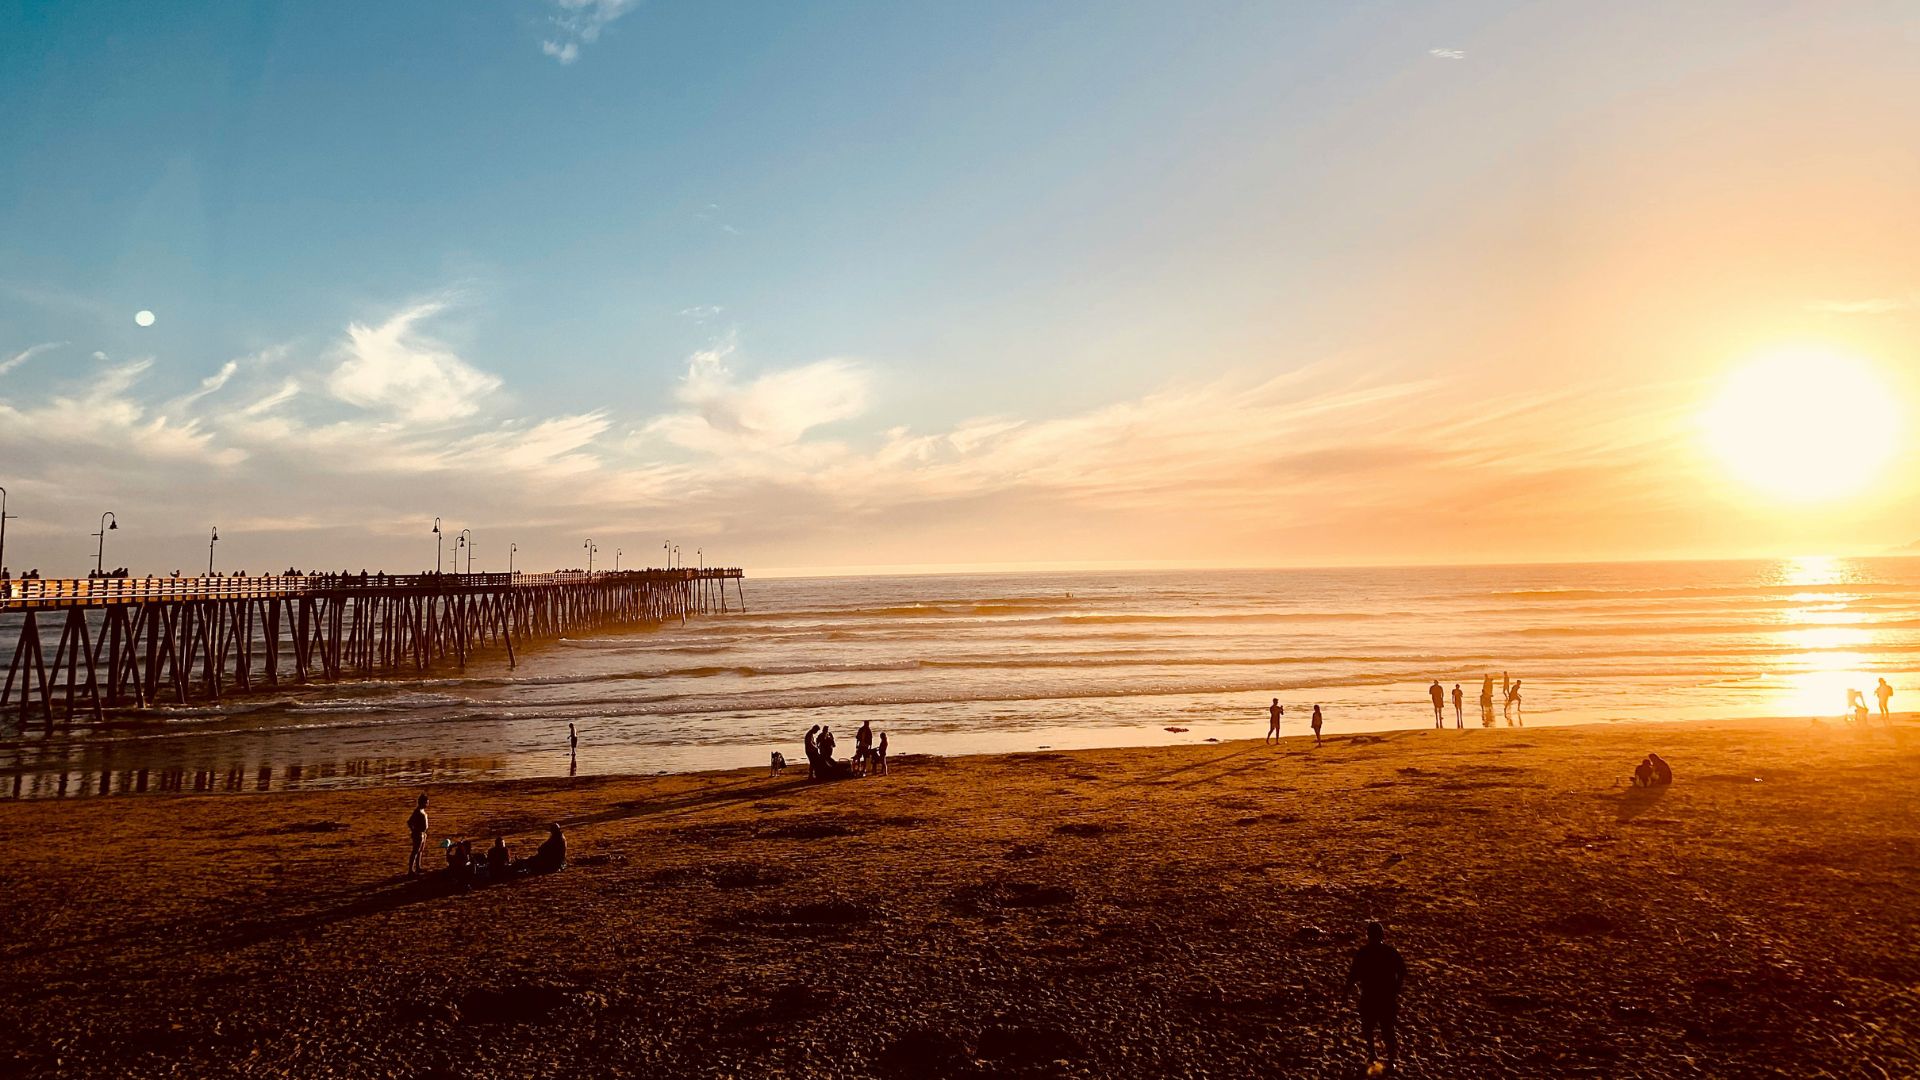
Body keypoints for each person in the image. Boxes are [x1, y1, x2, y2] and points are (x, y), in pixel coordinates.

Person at [1345, 921, 1407, 1073]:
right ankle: (1388, 1059)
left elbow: (1352, 976)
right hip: (1385, 997)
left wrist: (1345, 994)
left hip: (1371, 996)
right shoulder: (1390, 952)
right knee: (1386, 1029)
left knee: (1371, 1028)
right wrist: (1396, 989)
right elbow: (1402, 972)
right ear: (1382, 935)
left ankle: (1374, 1054)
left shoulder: (1364, 952)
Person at [406, 793, 430, 876]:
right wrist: (414, 831)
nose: (427, 804)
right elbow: (409, 822)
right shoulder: (417, 812)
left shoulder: (422, 811)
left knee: (420, 851)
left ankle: (418, 867)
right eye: (426, 802)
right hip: (418, 834)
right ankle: (411, 870)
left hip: (423, 833)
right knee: (415, 851)